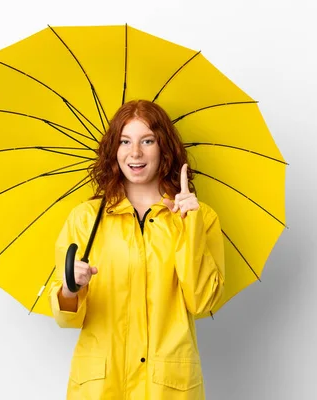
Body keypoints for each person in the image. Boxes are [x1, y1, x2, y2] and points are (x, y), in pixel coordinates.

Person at [48, 99, 225, 399]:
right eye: (125, 141)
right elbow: (67, 318)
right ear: (113, 151)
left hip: (167, 386)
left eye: (147, 140)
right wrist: (70, 289)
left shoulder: (200, 218)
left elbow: (204, 302)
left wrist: (190, 226)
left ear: (164, 148)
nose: (136, 153)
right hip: (102, 385)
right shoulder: (86, 219)